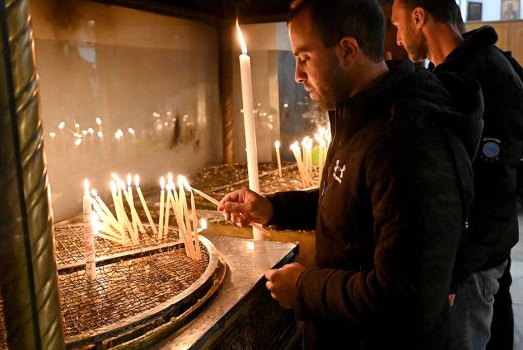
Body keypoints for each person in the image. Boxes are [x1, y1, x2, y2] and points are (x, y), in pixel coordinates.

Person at [219, 0, 483, 348]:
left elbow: (406, 298)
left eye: (304, 57)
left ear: (347, 50)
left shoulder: (406, 138)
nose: (297, 74)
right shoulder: (361, 115)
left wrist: (304, 288)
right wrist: (273, 208)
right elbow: (350, 203)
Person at [391, 0, 523, 349]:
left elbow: (492, 188)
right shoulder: (452, 72)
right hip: (481, 256)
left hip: (474, 264)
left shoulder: (484, 75)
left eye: (398, 25)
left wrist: (455, 273)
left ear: (419, 17)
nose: (399, 38)